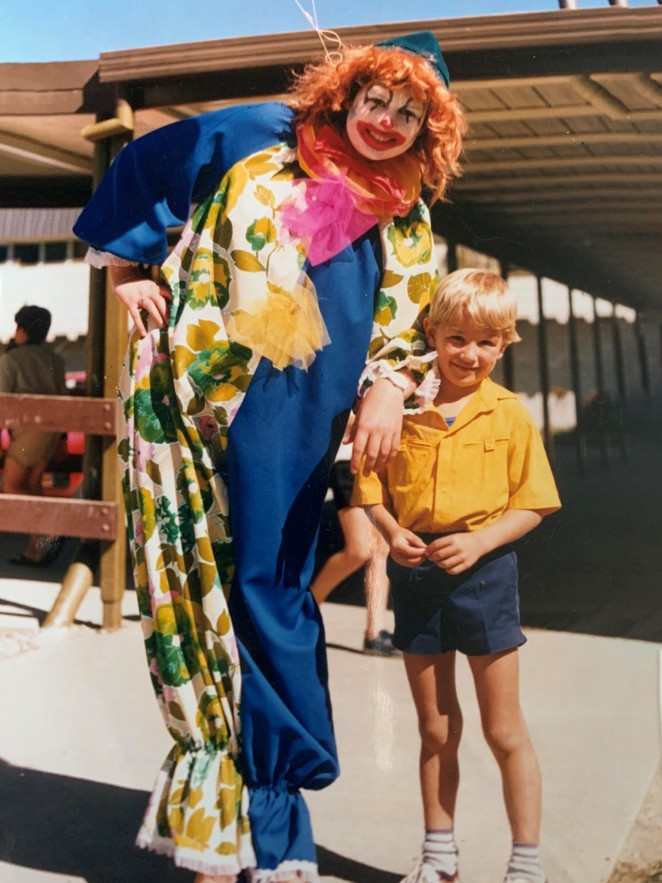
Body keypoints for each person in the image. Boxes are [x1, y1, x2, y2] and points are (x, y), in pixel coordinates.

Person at [73, 30, 465, 883]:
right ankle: (225, 832)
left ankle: (272, 823)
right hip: (187, 400)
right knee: (191, 591)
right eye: (377, 100)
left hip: (292, 419)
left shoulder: (405, 207)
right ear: (348, 89)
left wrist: (390, 387)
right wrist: (125, 269)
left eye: (409, 114)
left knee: (272, 599)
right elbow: (148, 161)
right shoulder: (260, 136)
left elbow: (405, 321)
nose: (387, 123)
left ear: (427, 131)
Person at [352, 269, 562, 883]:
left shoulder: (511, 415)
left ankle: (527, 862)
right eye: (457, 338)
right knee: (435, 726)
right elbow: (370, 488)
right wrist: (392, 535)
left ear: (505, 345)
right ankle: (439, 854)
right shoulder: (401, 410)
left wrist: (480, 542)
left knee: (502, 728)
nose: (470, 354)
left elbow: (535, 501)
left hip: (485, 573)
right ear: (432, 335)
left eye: (486, 342)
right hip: (417, 573)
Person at [311, 439, 399, 657]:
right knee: (360, 550)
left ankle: (374, 634)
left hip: (379, 458)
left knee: (381, 548)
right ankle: (307, 610)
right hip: (350, 461)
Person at [0, 305, 67, 566]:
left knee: (13, 486)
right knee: (33, 486)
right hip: (50, 430)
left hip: (27, 431)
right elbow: (64, 399)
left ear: (22, 329)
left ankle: (46, 538)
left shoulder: (12, 359)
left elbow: (2, 401)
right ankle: (36, 549)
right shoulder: (55, 359)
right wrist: (62, 439)